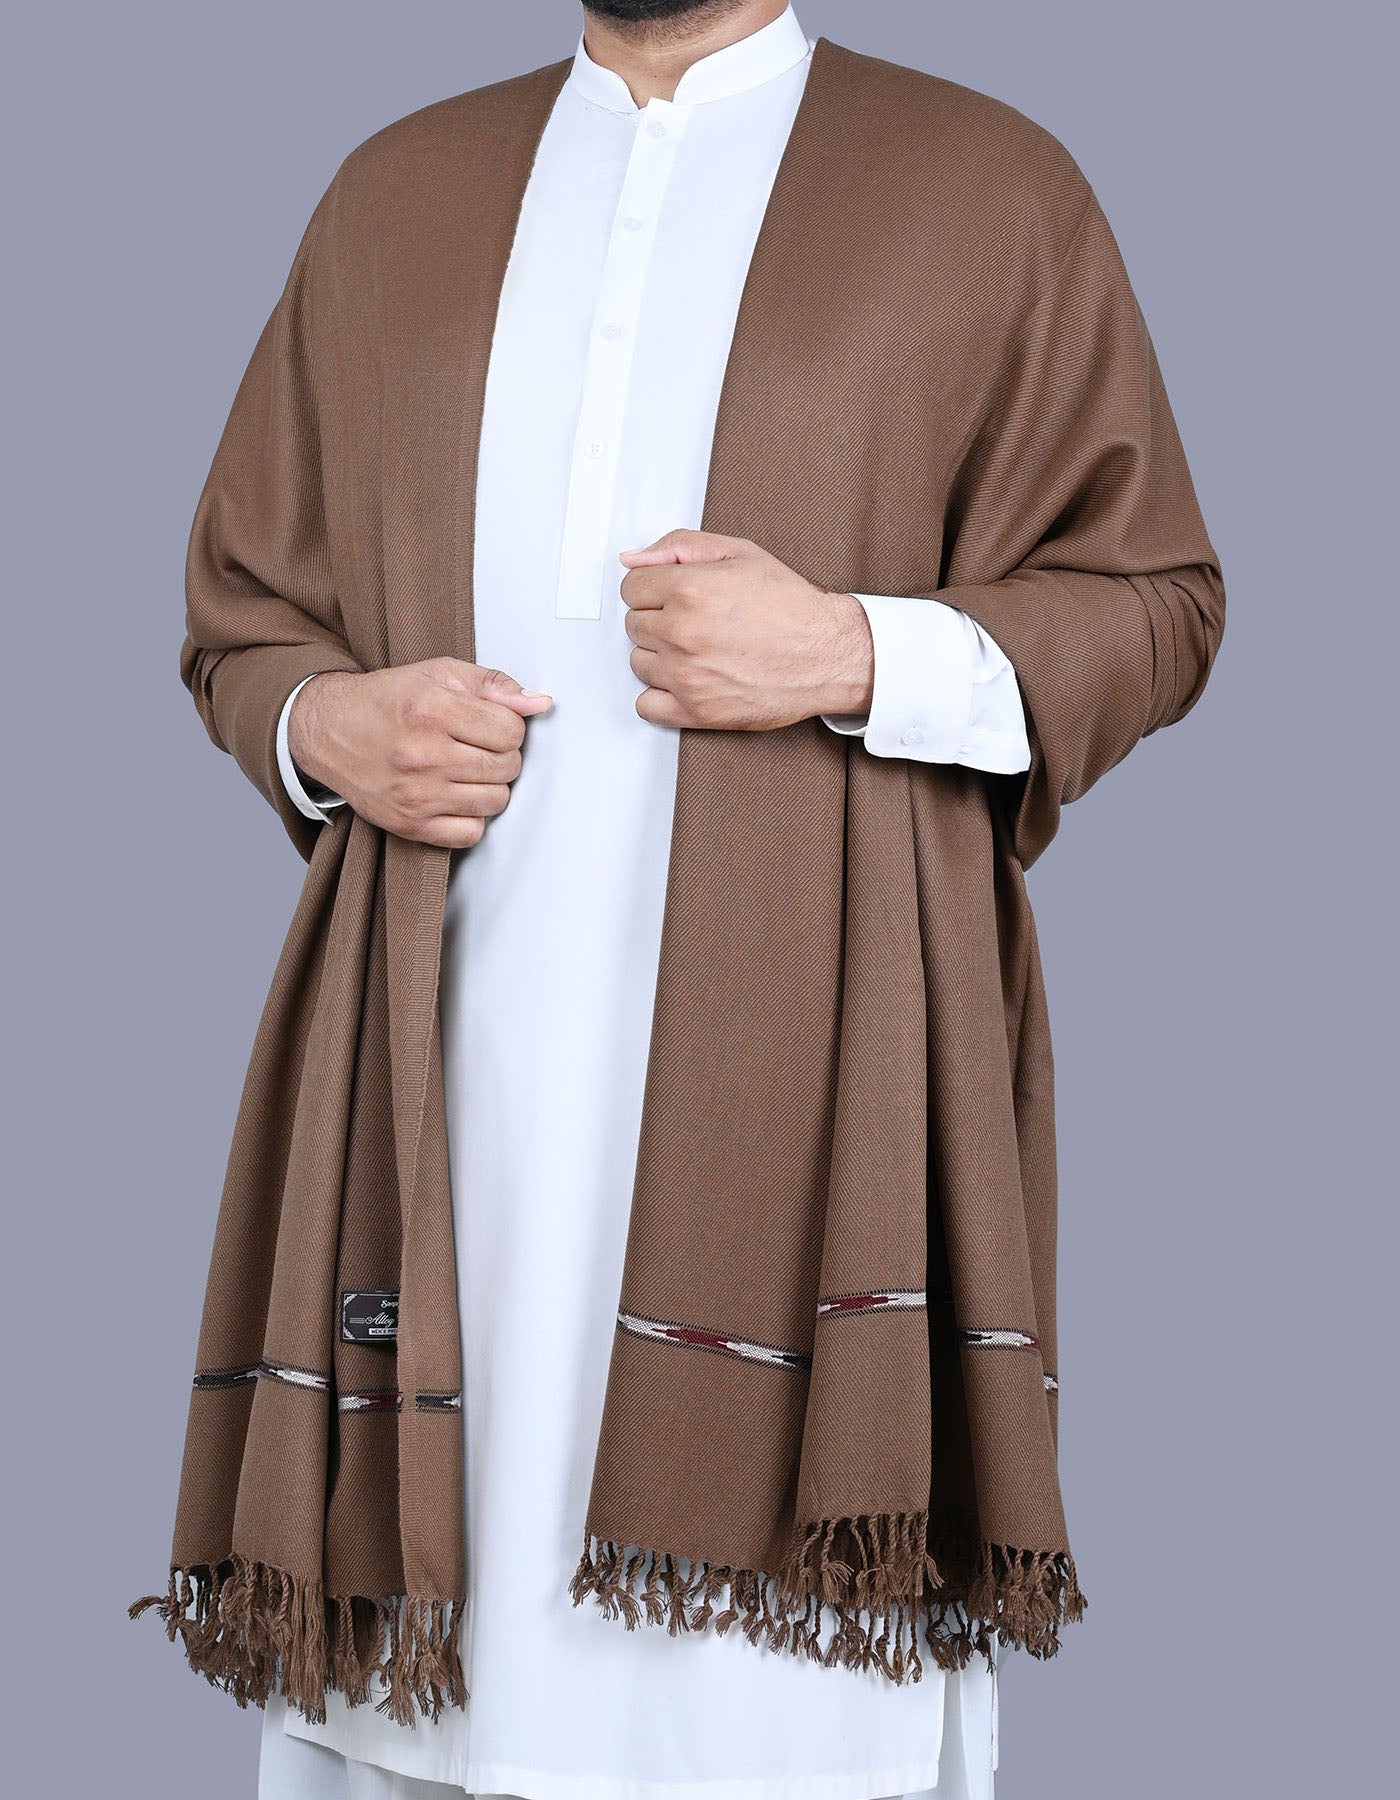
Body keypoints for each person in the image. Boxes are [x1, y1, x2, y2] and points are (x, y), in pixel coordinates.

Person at [139, 5, 1225, 1798]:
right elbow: (239, 617)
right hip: (443, 1124)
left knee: (770, 1738)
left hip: (807, 1120)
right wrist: (326, 727)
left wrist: (854, 650)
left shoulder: (986, 189)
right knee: (415, 1722)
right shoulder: (392, 195)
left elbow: (1158, 601)